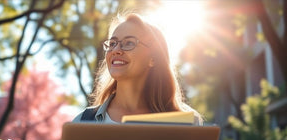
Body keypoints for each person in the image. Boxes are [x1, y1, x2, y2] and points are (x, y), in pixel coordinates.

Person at [72, 12, 203, 125]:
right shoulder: (82, 121)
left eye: (129, 43)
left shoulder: (187, 123)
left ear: (153, 59)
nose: (116, 50)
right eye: (112, 43)